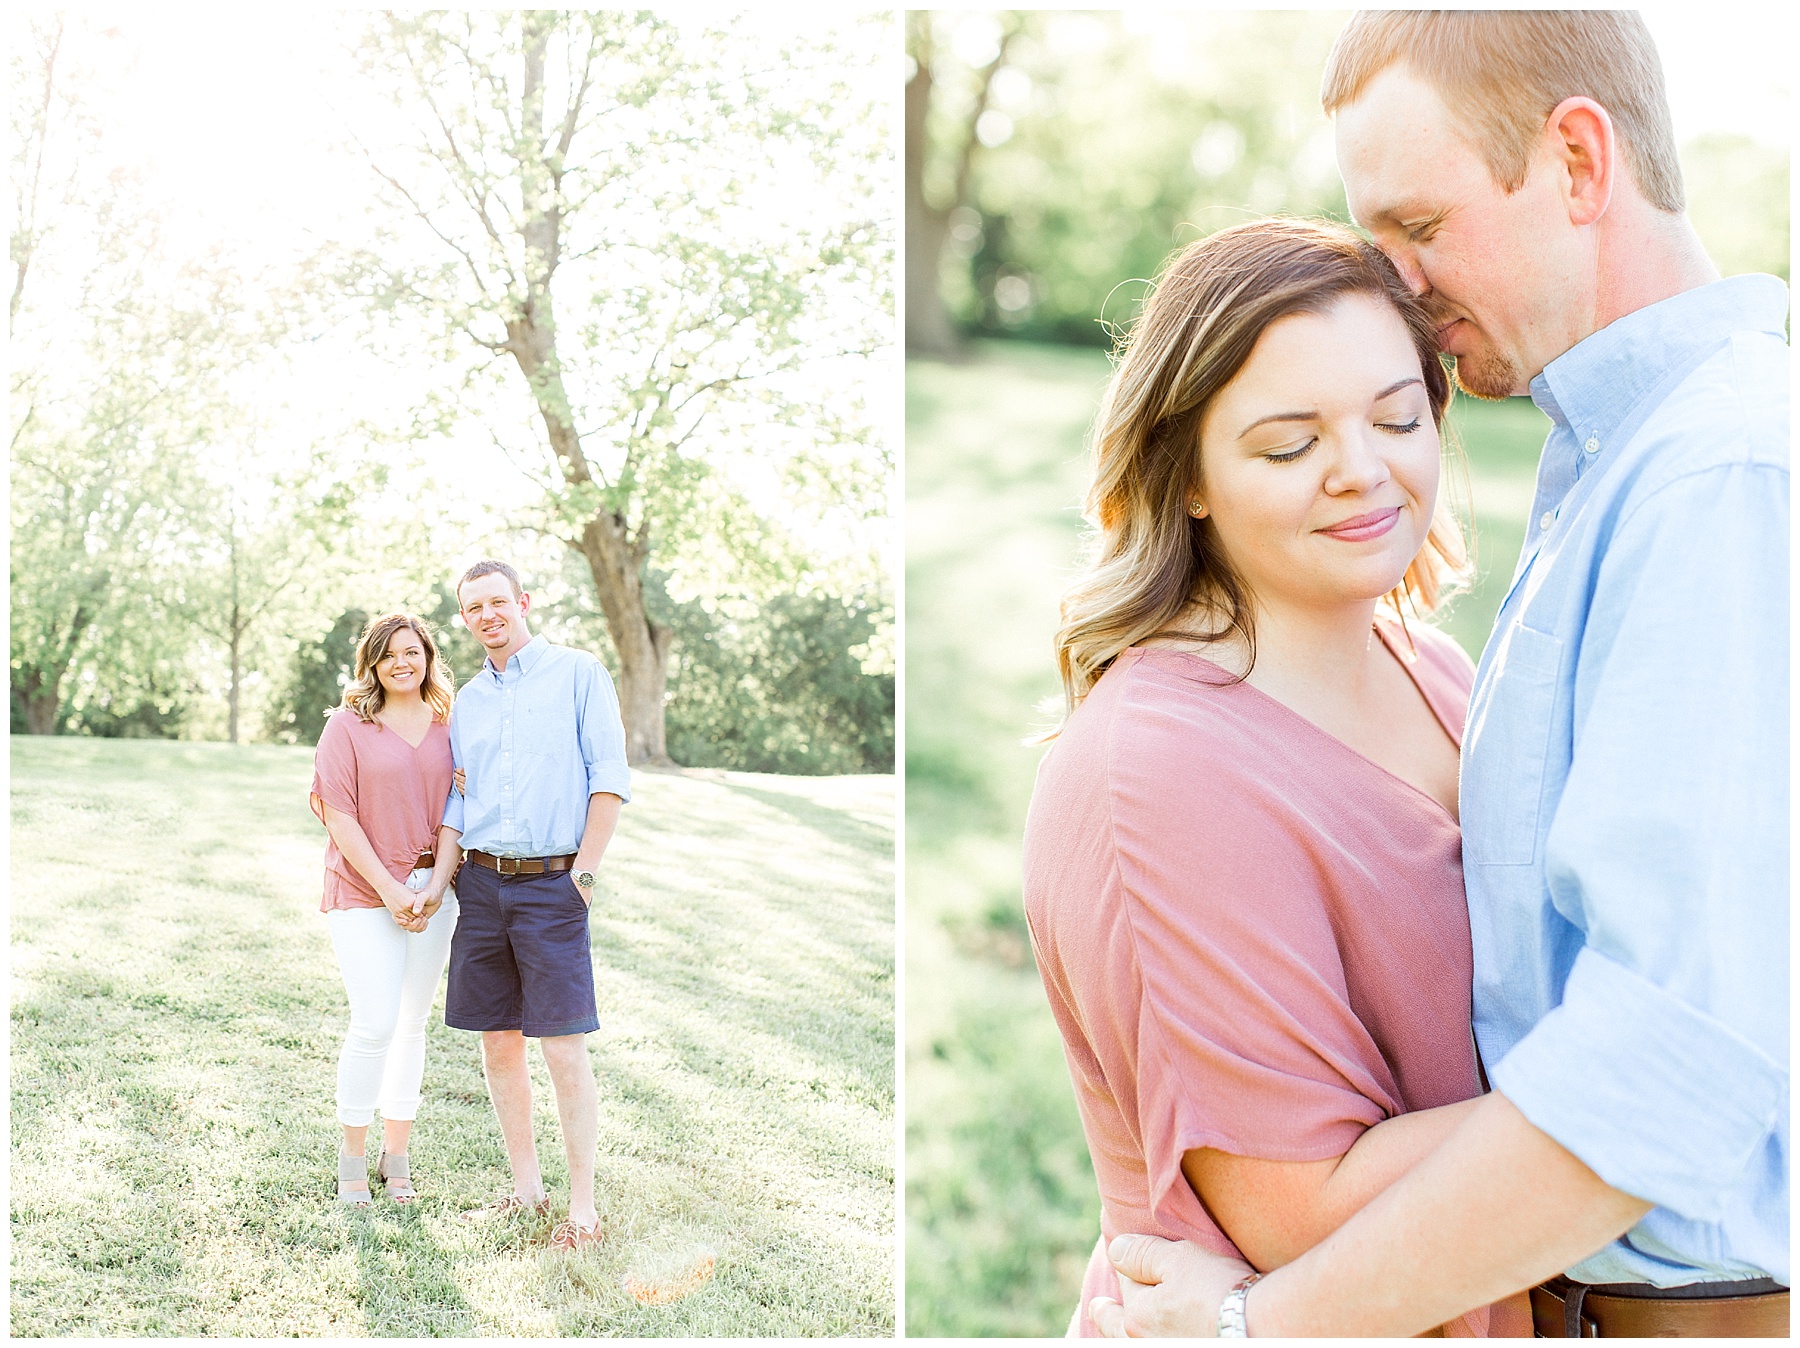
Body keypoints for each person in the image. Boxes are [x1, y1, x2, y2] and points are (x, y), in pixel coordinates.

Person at [1090, 11, 1787, 1337]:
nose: (1396, 287)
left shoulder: (1719, 478)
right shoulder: (1624, 467)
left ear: (1580, 162)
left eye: (1419, 225)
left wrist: (1263, 1326)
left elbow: (1674, 1056)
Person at [1025, 216, 1534, 1338]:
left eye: (1398, 417)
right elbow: (1303, 1210)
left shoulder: (1435, 667)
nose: (1364, 471)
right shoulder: (1162, 770)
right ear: (1188, 476)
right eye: (1287, 444)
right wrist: (1654, 1085)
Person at [438, 559, 631, 1252]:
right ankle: (526, 1191)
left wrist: (584, 876)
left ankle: (583, 1211)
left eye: (497, 602)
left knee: (562, 1048)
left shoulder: (579, 673)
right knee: (497, 1044)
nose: (487, 616)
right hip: (482, 887)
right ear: (465, 619)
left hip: (554, 884)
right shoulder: (465, 700)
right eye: (473, 609)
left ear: (522, 602)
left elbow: (609, 777)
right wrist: (445, 879)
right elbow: (459, 797)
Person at [311, 613, 461, 1207]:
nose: (403, 663)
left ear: (428, 657)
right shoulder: (348, 726)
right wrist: (391, 890)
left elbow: (458, 809)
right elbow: (338, 815)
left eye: (414, 651)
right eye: (389, 654)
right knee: (374, 1022)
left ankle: (395, 1152)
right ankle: (352, 1152)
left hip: (435, 892)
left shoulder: (452, 724)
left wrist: (435, 885)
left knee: (411, 1026)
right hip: (363, 889)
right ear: (371, 664)